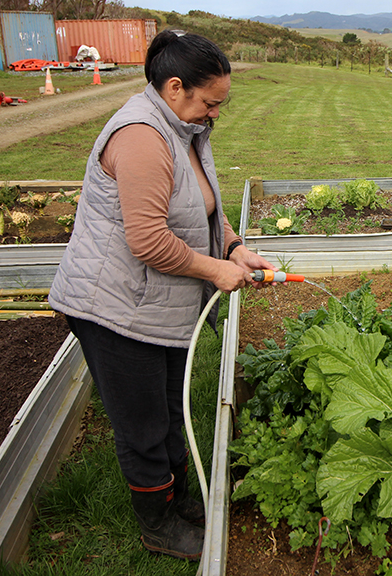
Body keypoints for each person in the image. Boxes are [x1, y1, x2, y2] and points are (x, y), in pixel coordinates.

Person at [49, 29, 275, 561]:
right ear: (174, 87)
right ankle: (158, 526)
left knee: (168, 410)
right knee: (143, 426)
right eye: (209, 102)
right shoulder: (141, 137)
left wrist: (234, 247)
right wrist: (215, 271)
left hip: (153, 303)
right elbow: (148, 238)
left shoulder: (185, 129)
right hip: (114, 309)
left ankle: (179, 502)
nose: (214, 114)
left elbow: (198, 211)